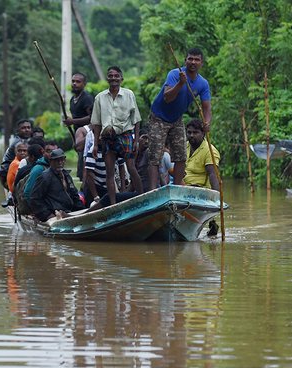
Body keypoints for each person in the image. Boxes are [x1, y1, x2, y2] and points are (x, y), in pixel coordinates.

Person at [147, 47, 211, 189]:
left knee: (181, 155)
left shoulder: (203, 83)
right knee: (155, 156)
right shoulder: (175, 74)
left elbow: (206, 107)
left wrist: (207, 122)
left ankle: (177, 188)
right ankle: (152, 191)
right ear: (185, 60)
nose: (193, 62)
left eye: (196, 59)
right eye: (190, 59)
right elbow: (167, 97)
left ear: (201, 63)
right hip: (158, 118)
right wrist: (181, 84)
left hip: (176, 119)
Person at [91, 66, 143, 205]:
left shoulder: (129, 94)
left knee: (131, 168)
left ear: (121, 78)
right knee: (110, 172)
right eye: (111, 76)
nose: (113, 78)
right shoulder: (100, 97)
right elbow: (96, 123)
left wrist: (136, 141)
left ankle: (142, 198)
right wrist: (95, 144)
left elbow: (136, 119)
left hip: (125, 135)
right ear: (107, 78)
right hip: (107, 138)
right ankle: (113, 204)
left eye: (116, 76)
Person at [183, 119, 220, 236]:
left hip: (199, 191)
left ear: (203, 133)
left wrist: (216, 199)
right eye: (189, 132)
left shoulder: (210, 151)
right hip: (181, 187)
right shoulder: (185, 146)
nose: (191, 135)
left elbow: (213, 175)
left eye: (195, 132)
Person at [29, 149, 85, 222]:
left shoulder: (66, 175)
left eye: (62, 160)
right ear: (51, 162)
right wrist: (48, 215)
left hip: (67, 212)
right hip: (53, 214)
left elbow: (74, 195)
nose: (60, 163)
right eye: (57, 160)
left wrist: (82, 211)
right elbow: (35, 198)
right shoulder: (45, 177)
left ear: (64, 161)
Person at [63, 72, 95, 183]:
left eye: (78, 82)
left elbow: (92, 118)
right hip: (78, 137)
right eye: (73, 81)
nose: (74, 84)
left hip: (88, 136)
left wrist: (72, 121)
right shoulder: (73, 100)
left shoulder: (87, 98)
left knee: (86, 164)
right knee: (81, 165)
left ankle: (87, 187)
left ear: (84, 84)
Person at [0, 119, 33, 188]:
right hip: (9, 176)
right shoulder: (18, 143)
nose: (27, 130)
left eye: (28, 127)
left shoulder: (26, 140)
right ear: (18, 130)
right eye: (23, 128)